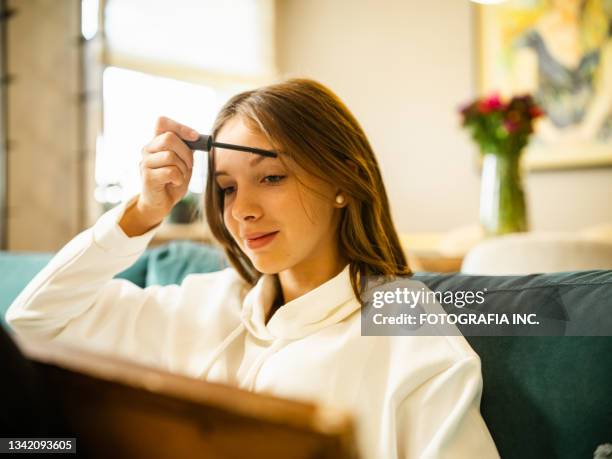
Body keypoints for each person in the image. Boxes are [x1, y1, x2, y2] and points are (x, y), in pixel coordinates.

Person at [6, 78, 500, 458]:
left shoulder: (410, 336)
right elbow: (31, 327)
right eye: (226, 187)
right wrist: (143, 212)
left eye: (271, 176)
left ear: (343, 181)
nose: (242, 209)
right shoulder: (203, 303)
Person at [511, 0, 612, 145]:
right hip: (548, 145)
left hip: (598, 140)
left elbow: (607, 90)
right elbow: (524, 97)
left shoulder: (599, 34)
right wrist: (556, 139)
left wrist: (586, 132)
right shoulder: (531, 39)